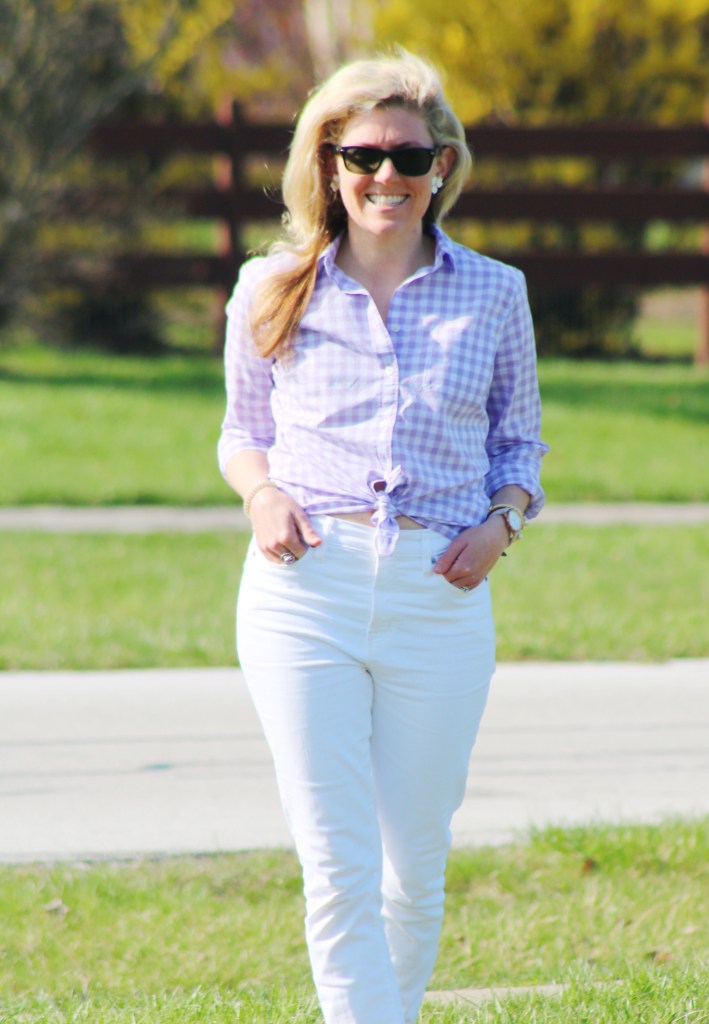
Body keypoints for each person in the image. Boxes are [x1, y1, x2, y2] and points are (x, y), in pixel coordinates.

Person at [218, 49, 547, 1024]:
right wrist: (261, 495)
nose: (385, 177)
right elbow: (242, 432)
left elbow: (519, 443)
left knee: (413, 865)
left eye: (408, 157)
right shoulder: (271, 285)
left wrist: (501, 523)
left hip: (437, 595)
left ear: (442, 165)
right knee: (337, 862)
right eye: (362, 156)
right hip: (303, 592)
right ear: (328, 166)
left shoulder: (493, 291)